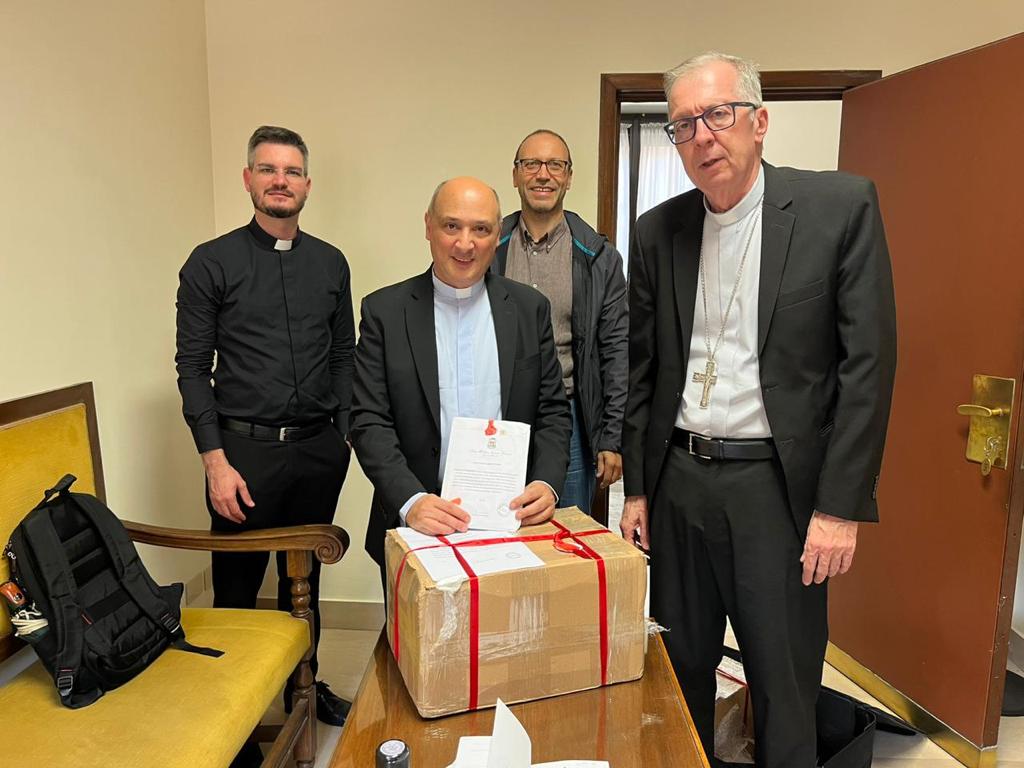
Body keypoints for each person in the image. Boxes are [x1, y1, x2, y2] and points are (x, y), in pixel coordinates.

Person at [620, 52, 896, 767]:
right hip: (679, 482)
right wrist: (638, 490)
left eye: (718, 114)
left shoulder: (838, 209)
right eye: (684, 124)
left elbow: (867, 369)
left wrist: (839, 507)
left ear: (759, 121)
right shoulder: (657, 232)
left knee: (782, 681)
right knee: (676, 669)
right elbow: (644, 368)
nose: (703, 136)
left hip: (776, 490)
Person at [175, 125, 355, 730]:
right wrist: (214, 461)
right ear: (248, 179)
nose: (281, 181)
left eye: (292, 171)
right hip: (242, 456)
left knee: (303, 583)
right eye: (269, 170)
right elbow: (193, 369)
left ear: (308, 184)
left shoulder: (330, 263)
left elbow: (343, 354)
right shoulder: (211, 262)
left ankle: (305, 686)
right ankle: (235, 713)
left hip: (317, 450)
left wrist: (344, 435)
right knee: (236, 588)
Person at [349, 177, 571, 580]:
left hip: (511, 523)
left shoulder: (529, 309)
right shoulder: (385, 312)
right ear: (428, 226)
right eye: (452, 226)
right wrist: (411, 500)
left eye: (480, 229)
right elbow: (368, 421)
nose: (465, 244)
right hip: (416, 524)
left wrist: (547, 483)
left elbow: (553, 410)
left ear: (497, 235)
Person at [494, 130, 627, 515]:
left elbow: (616, 350)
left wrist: (612, 437)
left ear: (568, 177)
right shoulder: (488, 247)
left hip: (570, 420)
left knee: (563, 534)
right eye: (531, 164)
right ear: (515, 175)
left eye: (555, 165)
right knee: (494, 530)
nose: (543, 174)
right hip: (497, 418)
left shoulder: (598, 257)